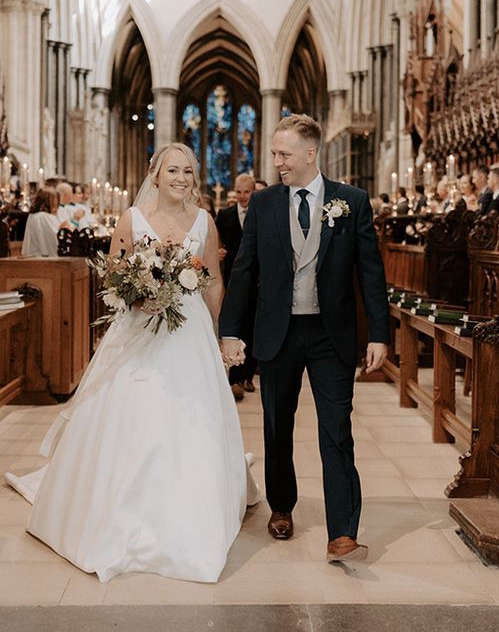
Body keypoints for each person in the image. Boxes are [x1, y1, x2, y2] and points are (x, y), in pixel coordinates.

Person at [5, 143, 258, 583]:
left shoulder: (204, 222)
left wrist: (225, 334)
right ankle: (119, 508)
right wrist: (139, 296)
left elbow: (214, 282)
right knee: (132, 412)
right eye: (173, 170)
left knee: (191, 417)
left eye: (188, 171)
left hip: (190, 331)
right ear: (154, 175)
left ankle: (189, 511)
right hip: (140, 332)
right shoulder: (131, 220)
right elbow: (114, 278)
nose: (181, 178)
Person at [219, 114, 389, 563]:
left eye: (284, 154)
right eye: (275, 153)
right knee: (277, 426)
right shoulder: (265, 203)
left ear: (311, 154)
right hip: (278, 332)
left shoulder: (351, 201)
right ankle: (281, 506)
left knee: (337, 430)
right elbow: (244, 269)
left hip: (331, 334)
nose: (276, 162)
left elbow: (370, 273)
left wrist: (379, 334)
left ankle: (343, 533)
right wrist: (231, 330)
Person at [216, 172, 257, 400]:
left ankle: (246, 375)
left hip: (256, 280)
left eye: (247, 192)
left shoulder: (260, 212)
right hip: (232, 277)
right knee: (235, 326)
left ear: (253, 192)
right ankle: (235, 379)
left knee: (251, 328)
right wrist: (219, 252)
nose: (242, 196)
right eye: (239, 192)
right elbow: (218, 242)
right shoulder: (225, 215)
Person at [21, 189, 64, 257]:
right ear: (48, 201)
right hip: (44, 258)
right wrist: (63, 229)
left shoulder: (32, 216)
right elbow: (54, 238)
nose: (57, 205)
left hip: (34, 256)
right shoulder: (45, 217)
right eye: (55, 201)